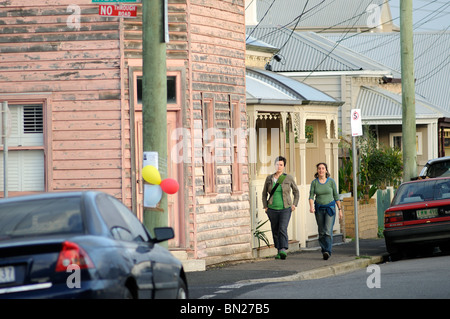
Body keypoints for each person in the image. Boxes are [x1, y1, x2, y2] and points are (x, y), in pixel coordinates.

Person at [262, 156, 299, 260]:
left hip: (285, 208)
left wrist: (294, 204)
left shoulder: (288, 178)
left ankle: (283, 249)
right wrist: (265, 206)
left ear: (284, 166)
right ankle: (278, 251)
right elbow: (264, 193)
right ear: (274, 165)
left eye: (281, 165)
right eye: (277, 164)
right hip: (272, 209)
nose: (279, 166)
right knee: (275, 230)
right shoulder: (269, 178)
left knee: (282, 228)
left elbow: (296, 192)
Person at [308, 162, 342, 260]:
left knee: (327, 231)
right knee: (321, 232)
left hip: (330, 209)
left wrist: (340, 209)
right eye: (319, 168)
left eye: (323, 168)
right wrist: (311, 207)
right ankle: (324, 250)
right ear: (317, 170)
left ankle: (328, 251)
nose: (321, 170)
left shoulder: (331, 182)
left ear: (326, 170)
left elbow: (336, 196)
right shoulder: (314, 182)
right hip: (319, 209)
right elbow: (311, 196)